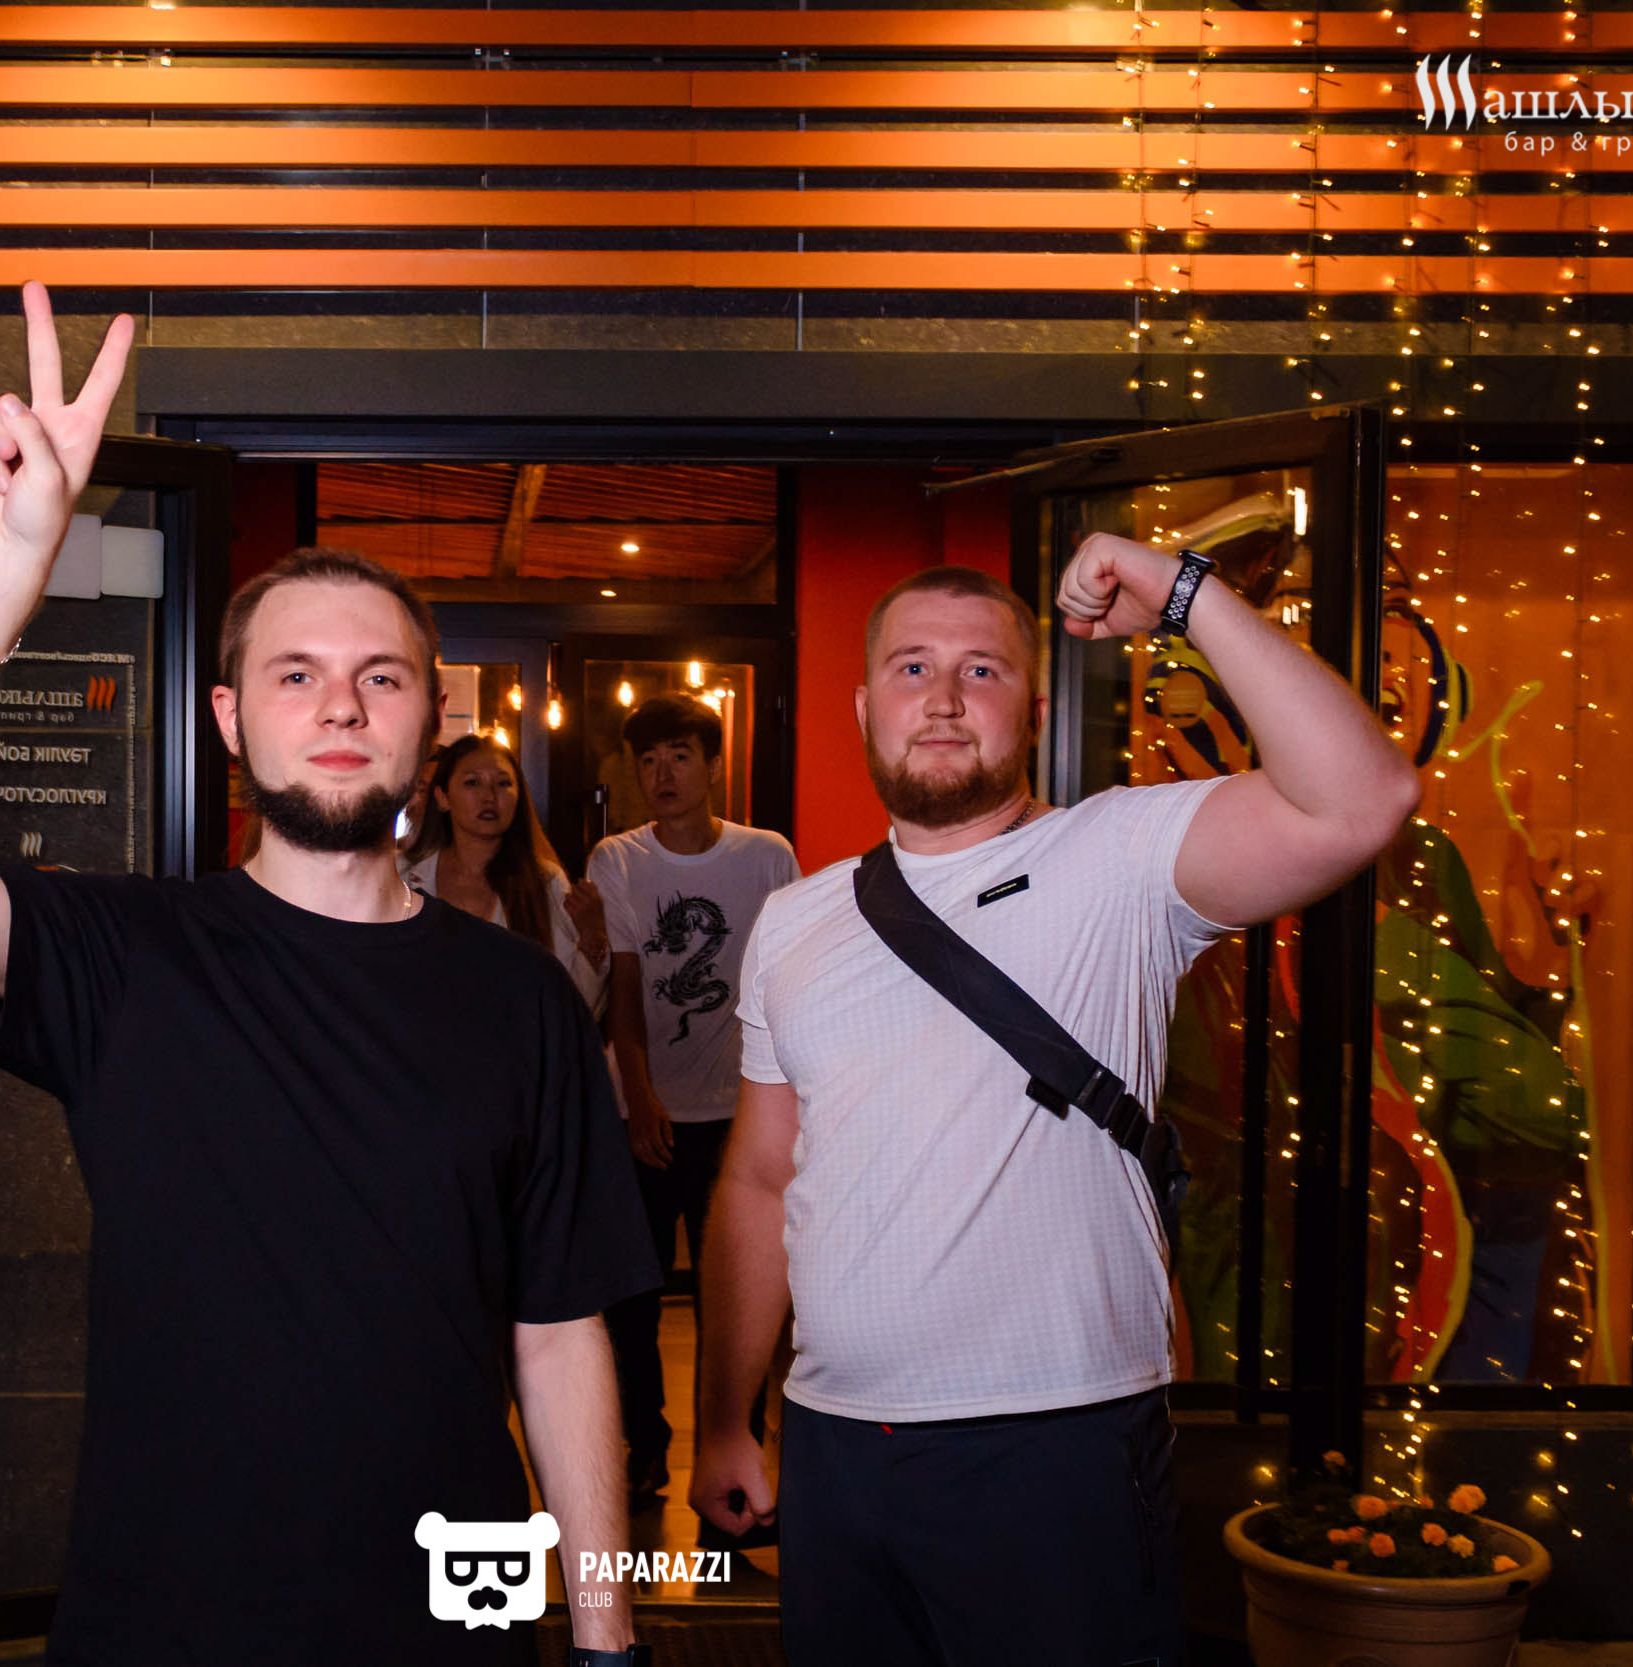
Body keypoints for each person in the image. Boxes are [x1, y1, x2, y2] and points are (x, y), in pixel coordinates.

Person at [0, 283, 659, 1667]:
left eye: (382, 678)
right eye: (295, 675)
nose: (340, 705)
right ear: (228, 718)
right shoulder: (128, 955)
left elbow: (560, 1336)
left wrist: (608, 1635)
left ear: (432, 718)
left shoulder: (521, 1000)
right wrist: (3, 576)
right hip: (166, 1616)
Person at [689, 558, 1421, 1666]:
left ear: (1033, 711)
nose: (943, 698)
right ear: (864, 706)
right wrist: (723, 1418)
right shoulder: (794, 921)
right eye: (912, 668)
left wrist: (1182, 595)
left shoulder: (1115, 858)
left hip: (1055, 1445)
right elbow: (758, 1178)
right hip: (835, 1442)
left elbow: (1365, 798)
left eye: (980, 670)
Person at [586, 694, 799, 1504]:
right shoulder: (618, 859)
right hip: (644, 1113)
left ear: (713, 764)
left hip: (739, 1118)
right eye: (647, 759)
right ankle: (647, 1443)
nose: (662, 773)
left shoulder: (766, 856)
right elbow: (626, 991)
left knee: (735, 1303)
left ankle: (730, 1450)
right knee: (633, 1298)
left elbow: (787, 976)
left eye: (679, 754)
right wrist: (640, 1099)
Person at [402, 733, 609, 1011]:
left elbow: (572, 1006)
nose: (489, 797)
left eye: (503, 783)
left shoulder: (543, 882)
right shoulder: (406, 878)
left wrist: (592, 937)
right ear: (443, 797)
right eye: (472, 782)